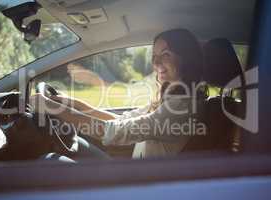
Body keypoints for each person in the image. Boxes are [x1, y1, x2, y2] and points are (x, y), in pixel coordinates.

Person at [32, 28, 207, 159]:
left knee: (51, 161)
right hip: (138, 173)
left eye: (166, 54)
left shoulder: (182, 106)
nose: (156, 62)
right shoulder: (172, 100)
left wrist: (53, 108)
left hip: (145, 183)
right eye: (154, 55)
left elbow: (115, 131)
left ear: (185, 58)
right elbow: (122, 120)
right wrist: (73, 103)